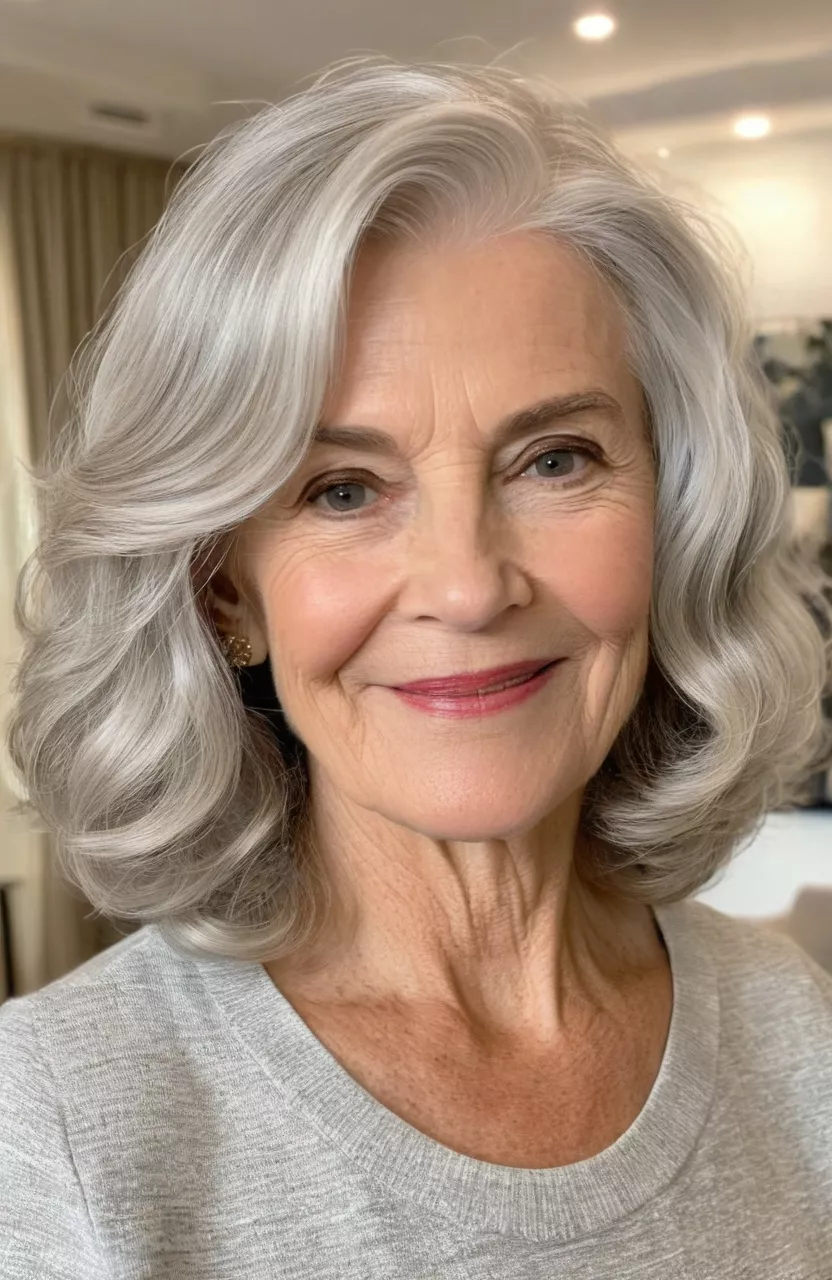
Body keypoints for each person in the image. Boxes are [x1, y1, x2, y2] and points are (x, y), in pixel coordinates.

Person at [1, 56, 831, 1280]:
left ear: (674, 514)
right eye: (342, 488)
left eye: (554, 459)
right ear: (225, 589)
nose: (466, 583)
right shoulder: (60, 1127)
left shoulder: (796, 1026)